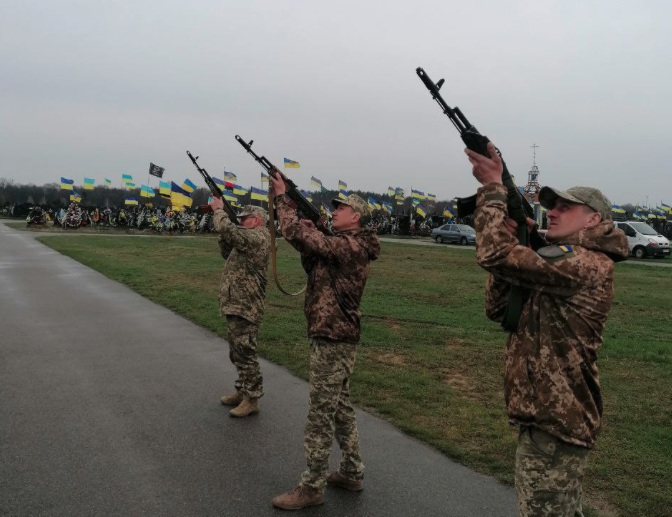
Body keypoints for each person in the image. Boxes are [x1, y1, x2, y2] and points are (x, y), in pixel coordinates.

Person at [466, 142, 628, 517]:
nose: (552, 212)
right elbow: (497, 309)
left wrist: (492, 189)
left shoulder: (587, 263)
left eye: (564, 207)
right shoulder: (560, 262)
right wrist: (517, 239)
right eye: (551, 205)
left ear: (593, 220)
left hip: (557, 424)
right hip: (549, 418)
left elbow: (492, 254)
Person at [269, 176, 380, 510]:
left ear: (356, 216)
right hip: (330, 334)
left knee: (320, 412)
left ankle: (312, 485)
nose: (335, 212)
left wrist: (283, 203)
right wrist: (307, 231)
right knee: (340, 407)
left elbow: (297, 235)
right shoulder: (340, 244)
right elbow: (313, 261)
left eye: (341, 208)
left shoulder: (353, 246)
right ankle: (351, 470)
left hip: (334, 337)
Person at [209, 199, 271, 418]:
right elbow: (227, 249)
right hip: (236, 302)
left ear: (257, 220)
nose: (241, 221)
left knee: (245, 352)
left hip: (247, 305)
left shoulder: (258, 236)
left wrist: (219, 210)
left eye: (245, 219)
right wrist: (225, 233)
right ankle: (243, 389)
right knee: (236, 352)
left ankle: (252, 398)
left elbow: (229, 229)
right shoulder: (245, 238)